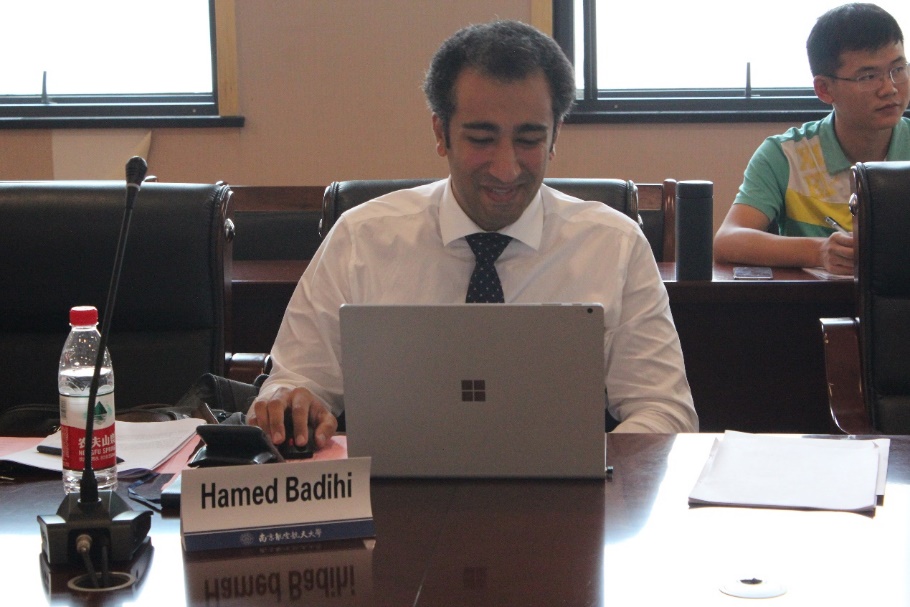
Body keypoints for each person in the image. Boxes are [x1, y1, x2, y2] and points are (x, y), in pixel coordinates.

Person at [248, 20, 698, 450]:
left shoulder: (614, 246)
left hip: (566, 496)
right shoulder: (360, 240)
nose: (506, 168)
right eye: (482, 139)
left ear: (555, 137)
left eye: (529, 140)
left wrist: (591, 468)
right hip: (392, 492)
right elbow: (297, 382)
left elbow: (664, 411)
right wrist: (291, 403)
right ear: (440, 133)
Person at [714, 3, 910, 275]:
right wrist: (819, 251)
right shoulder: (785, 155)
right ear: (824, 89)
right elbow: (727, 240)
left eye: (898, 69)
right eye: (868, 76)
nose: (889, 88)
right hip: (814, 300)